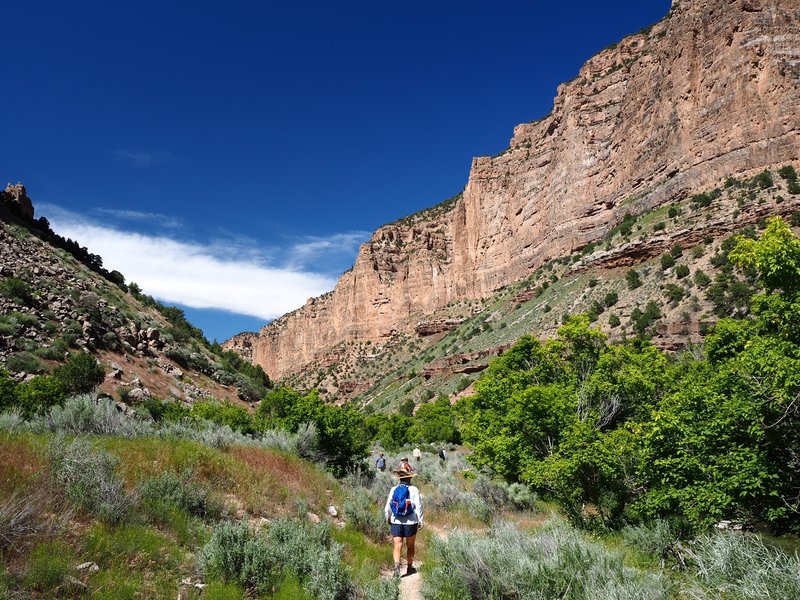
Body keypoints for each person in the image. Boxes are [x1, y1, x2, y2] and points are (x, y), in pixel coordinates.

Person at [384, 463, 424, 577]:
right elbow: (418, 506)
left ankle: (396, 567)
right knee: (410, 545)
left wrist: (388, 518)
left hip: (396, 521)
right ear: (410, 477)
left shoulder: (393, 489)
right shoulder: (414, 489)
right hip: (411, 522)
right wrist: (421, 520)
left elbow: (388, 506)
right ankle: (410, 567)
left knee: (397, 545)